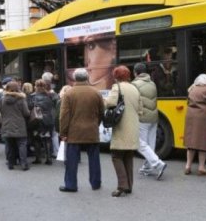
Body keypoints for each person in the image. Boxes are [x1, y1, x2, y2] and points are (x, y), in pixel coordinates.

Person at [59, 68, 104, 192]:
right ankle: (96, 183)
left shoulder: (69, 93)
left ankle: (71, 185)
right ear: (87, 77)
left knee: (72, 161)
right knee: (94, 159)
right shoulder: (96, 92)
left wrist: (63, 132)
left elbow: (64, 116)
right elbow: (101, 112)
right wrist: (95, 123)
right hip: (92, 130)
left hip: (74, 132)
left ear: (74, 78)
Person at [105, 65, 142, 197]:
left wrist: (103, 100)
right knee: (128, 157)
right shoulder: (134, 88)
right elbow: (140, 109)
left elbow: (110, 103)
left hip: (122, 126)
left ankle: (122, 186)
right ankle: (129, 186)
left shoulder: (117, 87)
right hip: (133, 127)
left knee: (116, 156)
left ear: (116, 76)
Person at [132, 63, 167, 180]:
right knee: (150, 144)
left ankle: (158, 164)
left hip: (142, 118)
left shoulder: (134, 85)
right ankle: (147, 168)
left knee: (139, 143)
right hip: (154, 117)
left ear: (135, 73)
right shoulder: (152, 83)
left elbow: (134, 102)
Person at [184, 74, 206, 175]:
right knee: (203, 142)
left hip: (190, 115)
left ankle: (188, 166)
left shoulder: (192, 89)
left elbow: (188, 101)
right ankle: (201, 167)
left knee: (191, 142)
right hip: (204, 116)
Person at [0, 81, 30, 171]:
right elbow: (26, 113)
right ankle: (24, 164)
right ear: (18, 88)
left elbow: (0, 111)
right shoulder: (21, 99)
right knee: (22, 144)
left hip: (6, 124)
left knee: (9, 145)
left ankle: (10, 163)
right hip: (19, 125)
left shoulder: (2, 99)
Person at [31, 79, 54, 165]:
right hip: (48, 119)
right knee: (47, 139)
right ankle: (49, 158)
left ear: (36, 86)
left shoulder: (33, 96)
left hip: (38, 119)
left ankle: (38, 158)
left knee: (36, 139)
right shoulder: (51, 95)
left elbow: (30, 107)